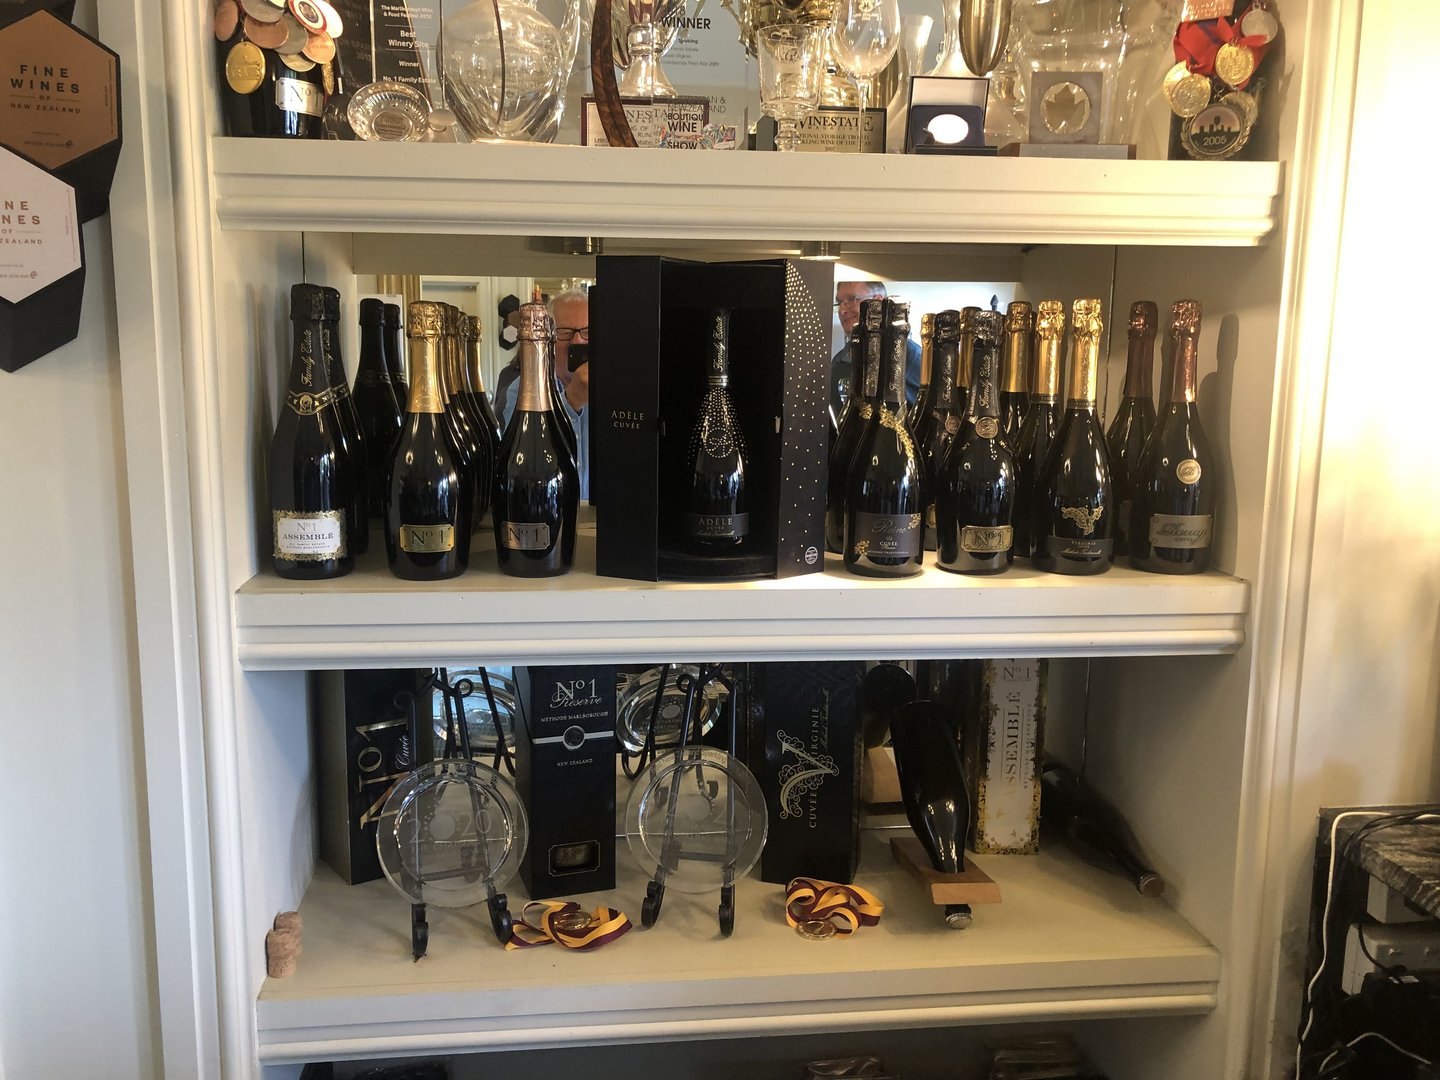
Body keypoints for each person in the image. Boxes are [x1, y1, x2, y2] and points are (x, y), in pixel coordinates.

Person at [497, 287, 591, 499]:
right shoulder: (522, 390)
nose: (577, 341)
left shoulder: (613, 389)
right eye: (565, 332)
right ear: (549, 337)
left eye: (587, 331)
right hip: (550, 504)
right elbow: (524, 460)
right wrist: (571, 402)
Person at [830, 280, 923, 422]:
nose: (842, 311)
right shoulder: (839, 361)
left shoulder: (911, 356)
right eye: (840, 303)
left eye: (851, 299)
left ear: (878, 302)